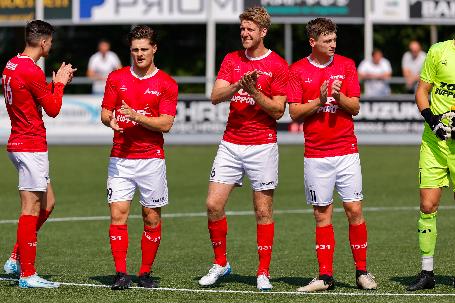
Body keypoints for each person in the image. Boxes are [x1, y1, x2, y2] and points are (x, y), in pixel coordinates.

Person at [198, 6, 288, 291]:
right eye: (242, 29)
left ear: (263, 32)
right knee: (213, 204)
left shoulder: (277, 65)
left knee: (263, 211)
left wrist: (255, 92)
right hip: (231, 143)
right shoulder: (232, 60)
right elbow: (215, 96)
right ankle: (221, 263)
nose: (244, 33)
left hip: (262, 145)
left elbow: (278, 110)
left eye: (250, 29)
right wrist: (239, 83)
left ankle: (263, 272)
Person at [287, 17, 377, 292]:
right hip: (316, 154)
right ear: (312, 42)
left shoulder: (346, 65)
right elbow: (294, 112)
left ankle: (362, 272)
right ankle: (325, 276)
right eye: (327, 41)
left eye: (334, 40)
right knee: (321, 213)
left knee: (354, 210)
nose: (332, 45)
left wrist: (337, 98)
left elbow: (356, 107)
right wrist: (319, 99)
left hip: (346, 151)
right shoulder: (298, 70)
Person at [100, 25, 178, 290]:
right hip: (120, 158)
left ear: (154, 49)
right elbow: (105, 113)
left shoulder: (166, 83)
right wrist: (109, 121)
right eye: (135, 50)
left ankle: (145, 273)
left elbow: (166, 124)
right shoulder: (116, 78)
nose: (139, 54)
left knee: (151, 217)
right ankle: (121, 273)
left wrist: (136, 117)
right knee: (118, 214)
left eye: (144, 49)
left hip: (151, 159)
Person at [2, 20, 76, 288]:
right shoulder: (31, 71)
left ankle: (15, 258)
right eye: (51, 41)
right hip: (29, 144)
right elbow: (54, 108)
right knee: (31, 208)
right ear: (43, 42)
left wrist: (53, 83)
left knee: (48, 204)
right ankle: (27, 274)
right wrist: (60, 83)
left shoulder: (11, 63)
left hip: (20, 142)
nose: (51, 46)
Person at [407, 39, 455, 291]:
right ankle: (427, 272)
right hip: (434, 143)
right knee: (427, 205)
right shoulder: (439, 50)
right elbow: (422, 91)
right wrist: (432, 119)